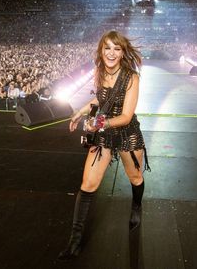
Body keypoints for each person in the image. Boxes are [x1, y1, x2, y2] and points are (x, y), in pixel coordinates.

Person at [58, 30, 150, 260]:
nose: (111, 53)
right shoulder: (99, 71)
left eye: (116, 49)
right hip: (104, 134)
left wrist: (95, 122)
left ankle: (136, 206)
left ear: (122, 52)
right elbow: (102, 97)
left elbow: (126, 116)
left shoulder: (131, 77)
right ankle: (75, 242)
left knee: (136, 178)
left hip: (126, 132)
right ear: (101, 50)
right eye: (107, 47)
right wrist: (81, 111)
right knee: (87, 184)